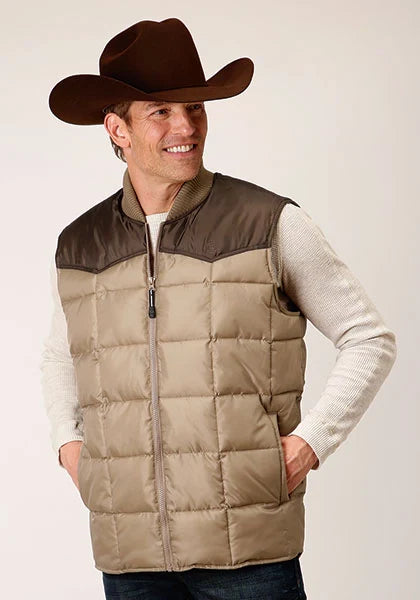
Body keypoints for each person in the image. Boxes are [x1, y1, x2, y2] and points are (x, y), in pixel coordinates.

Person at [41, 17, 397, 600]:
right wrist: (71, 448)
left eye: (195, 108)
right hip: (130, 555)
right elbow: (63, 355)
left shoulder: (268, 223)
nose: (186, 127)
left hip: (250, 553)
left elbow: (369, 338)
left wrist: (309, 445)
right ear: (117, 128)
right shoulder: (81, 244)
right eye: (160, 111)